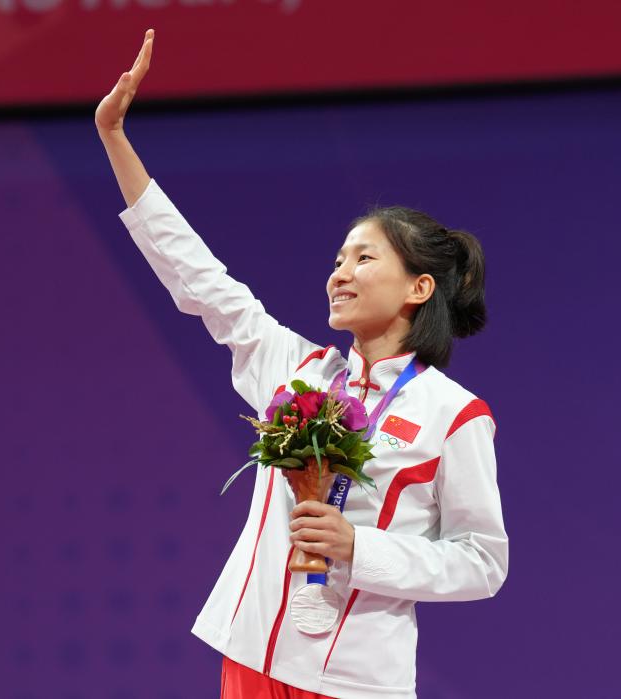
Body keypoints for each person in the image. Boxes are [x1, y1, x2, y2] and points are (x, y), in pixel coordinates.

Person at [95, 29, 508, 699]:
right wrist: (115, 138)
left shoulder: (454, 415)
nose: (340, 273)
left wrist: (359, 547)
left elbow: (483, 561)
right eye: (338, 259)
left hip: (352, 680)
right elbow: (199, 278)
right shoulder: (298, 370)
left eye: (364, 258)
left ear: (419, 287)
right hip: (249, 657)